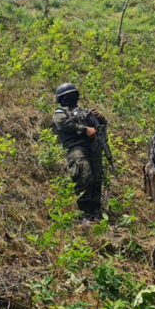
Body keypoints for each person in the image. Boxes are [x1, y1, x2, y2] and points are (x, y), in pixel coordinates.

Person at [51, 82, 109, 222]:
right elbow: (63, 124)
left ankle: (95, 211)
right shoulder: (60, 112)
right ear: (61, 99)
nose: (70, 98)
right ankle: (85, 212)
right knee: (84, 175)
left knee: (96, 178)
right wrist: (84, 129)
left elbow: (100, 127)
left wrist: (100, 119)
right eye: (66, 96)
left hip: (93, 147)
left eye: (72, 95)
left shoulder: (85, 111)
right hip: (75, 147)